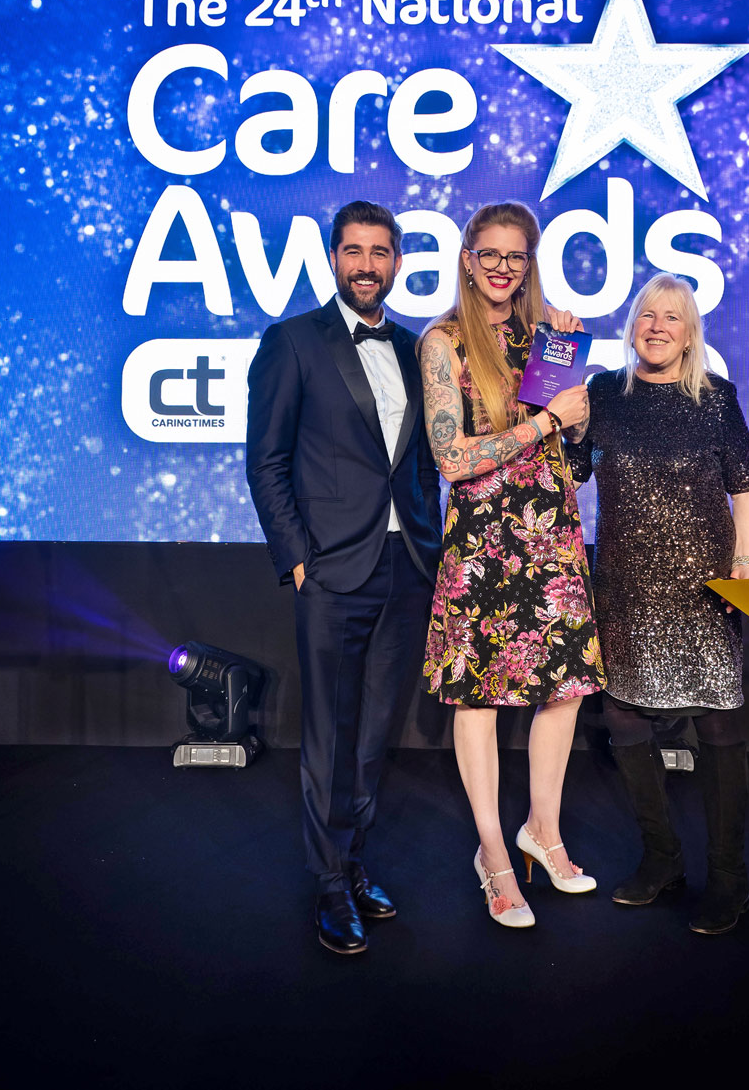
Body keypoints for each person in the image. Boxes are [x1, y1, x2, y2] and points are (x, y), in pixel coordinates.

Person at [246, 201, 442, 956]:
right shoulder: (293, 341)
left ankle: (353, 860)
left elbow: (422, 461)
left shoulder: (417, 347)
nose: (366, 265)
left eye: (379, 252)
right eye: (353, 251)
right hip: (331, 567)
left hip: (407, 565)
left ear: (397, 262)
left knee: (375, 731)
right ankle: (329, 881)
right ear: (334, 258)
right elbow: (266, 461)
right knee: (330, 731)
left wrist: (431, 545)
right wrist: (297, 555)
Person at [419, 201, 606, 928]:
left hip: (551, 532)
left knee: (565, 689)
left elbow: (576, 454)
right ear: (468, 260)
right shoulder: (443, 342)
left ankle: (543, 832)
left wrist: (574, 405)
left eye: (516, 256)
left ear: (529, 263)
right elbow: (452, 459)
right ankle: (495, 857)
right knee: (480, 700)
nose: (502, 268)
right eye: (489, 254)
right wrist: (547, 421)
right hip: (482, 542)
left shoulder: (546, 339)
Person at [567, 272, 749, 935]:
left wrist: (746, 564)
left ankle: (729, 879)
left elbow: (747, 489)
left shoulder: (715, 398)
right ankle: (662, 861)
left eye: (672, 318)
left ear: (689, 334)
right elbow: (573, 472)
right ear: (632, 328)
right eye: (647, 316)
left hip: (703, 589)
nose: (657, 327)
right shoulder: (605, 394)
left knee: (718, 725)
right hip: (623, 587)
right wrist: (568, 428)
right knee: (624, 716)